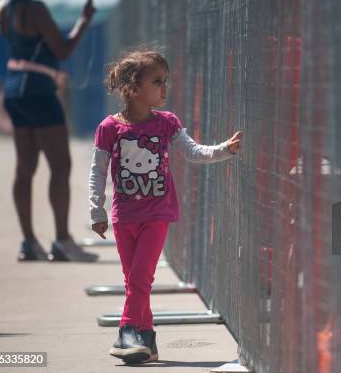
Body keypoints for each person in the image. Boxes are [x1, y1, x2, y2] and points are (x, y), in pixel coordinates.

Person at [88, 49, 243, 363]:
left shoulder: (167, 123)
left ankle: (128, 331)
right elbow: (98, 171)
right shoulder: (109, 128)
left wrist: (225, 149)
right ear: (132, 88)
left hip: (157, 215)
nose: (164, 87)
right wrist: (97, 209)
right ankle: (147, 339)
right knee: (134, 277)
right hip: (123, 216)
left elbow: (193, 151)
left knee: (140, 278)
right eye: (157, 81)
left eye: (165, 81)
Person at [0, 0, 98, 262]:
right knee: (60, 166)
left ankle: (29, 242)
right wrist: (84, 20)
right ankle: (62, 241)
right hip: (39, 90)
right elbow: (62, 50)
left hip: (14, 89)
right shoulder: (36, 9)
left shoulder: (5, 9)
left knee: (25, 168)